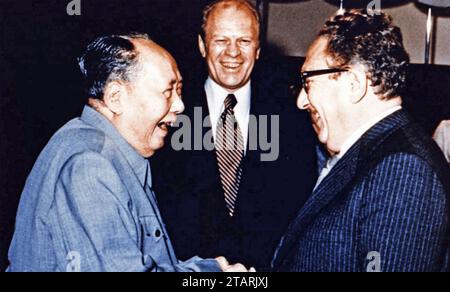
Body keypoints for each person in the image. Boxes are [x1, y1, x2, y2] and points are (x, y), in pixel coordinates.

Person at [7, 33, 248, 272]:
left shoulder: (101, 149)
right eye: (167, 91)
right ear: (115, 97)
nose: (179, 105)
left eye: (179, 90)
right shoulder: (89, 165)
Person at [272, 10, 450, 272]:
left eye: (307, 82)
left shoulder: (403, 171)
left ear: (354, 84)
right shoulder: (372, 152)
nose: (301, 101)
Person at [152, 0, 317, 271]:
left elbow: (297, 208)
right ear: (202, 46)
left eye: (244, 41)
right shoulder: (169, 113)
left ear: (258, 49)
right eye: (220, 40)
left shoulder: (292, 116)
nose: (233, 53)